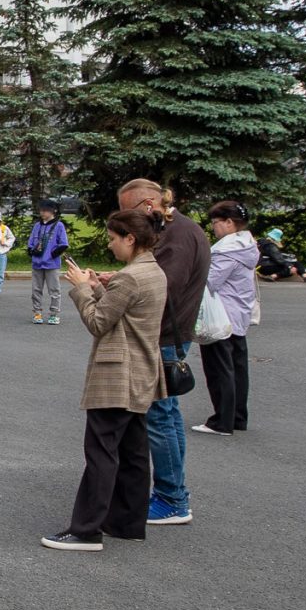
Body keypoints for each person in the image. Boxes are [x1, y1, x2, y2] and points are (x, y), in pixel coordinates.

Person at [46, 209, 169, 550]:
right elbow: (121, 313)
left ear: (131, 239)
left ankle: (86, 529)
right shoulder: (151, 271)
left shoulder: (130, 277)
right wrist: (99, 287)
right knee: (132, 452)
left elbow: (99, 322)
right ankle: (128, 522)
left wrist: (83, 290)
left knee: (101, 452)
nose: (111, 246)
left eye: (114, 239)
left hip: (118, 374)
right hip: (142, 371)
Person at [125, 179, 208, 527]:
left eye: (129, 213)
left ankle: (172, 498)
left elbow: (162, 285)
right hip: (170, 333)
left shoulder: (177, 234)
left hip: (164, 335)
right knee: (166, 415)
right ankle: (173, 495)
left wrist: (120, 289)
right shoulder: (182, 229)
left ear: (148, 205)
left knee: (160, 416)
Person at [201, 201, 257, 435]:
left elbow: (210, 280)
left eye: (216, 223)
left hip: (220, 316)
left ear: (229, 223)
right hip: (239, 314)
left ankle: (221, 421)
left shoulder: (227, 250)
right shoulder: (247, 245)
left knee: (219, 369)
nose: (214, 228)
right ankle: (237, 417)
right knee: (237, 368)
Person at [26, 200, 71, 324]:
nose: (43, 213)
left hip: (51, 264)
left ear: (53, 211)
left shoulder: (59, 226)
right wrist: (31, 251)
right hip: (37, 263)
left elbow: (63, 244)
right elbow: (31, 242)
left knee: (54, 290)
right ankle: (37, 312)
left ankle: (54, 313)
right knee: (36, 289)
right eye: (41, 210)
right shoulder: (37, 226)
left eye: (45, 210)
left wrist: (52, 254)